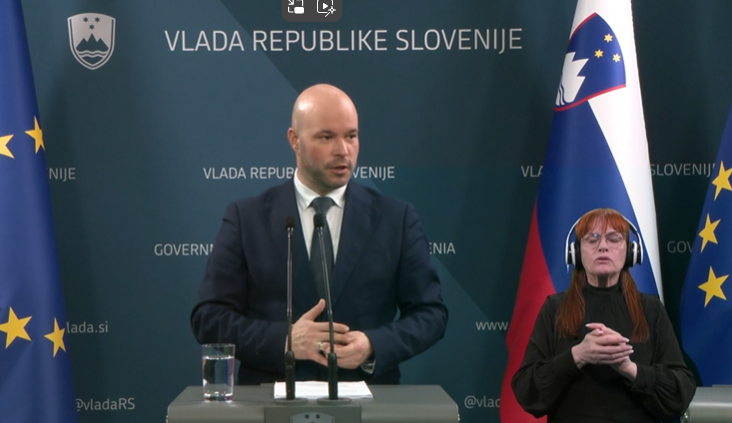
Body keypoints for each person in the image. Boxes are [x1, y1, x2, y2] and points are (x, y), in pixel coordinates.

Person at [190, 83, 448, 385]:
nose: (343, 150)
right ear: (295, 141)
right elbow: (209, 318)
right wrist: (286, 342)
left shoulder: (396, 218)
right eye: (326, 137)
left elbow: (431, 314)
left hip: (369, 403)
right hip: (270, 402)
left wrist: (373, 344)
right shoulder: (247, 218)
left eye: (351, 136)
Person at [512, 208, 696, 422]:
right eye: (592, 239)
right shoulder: (555, 308)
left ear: (631, 252)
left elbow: (679, 393)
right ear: (576, 252)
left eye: (614, 238)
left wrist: (629, 368)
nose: (603, 246)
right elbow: (527, 392)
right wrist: (577, 356)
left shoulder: (651, 309)